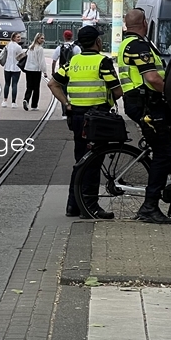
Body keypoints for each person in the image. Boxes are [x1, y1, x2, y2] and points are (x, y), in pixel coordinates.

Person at [47, 25, 123, 219]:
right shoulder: (103, 62)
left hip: (77, 117)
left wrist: (67, 104)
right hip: (97, 119)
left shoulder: (73, 62)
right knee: (94, 161)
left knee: (80, 160)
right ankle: (90, 206)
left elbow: (53, 83)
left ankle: (73, 204)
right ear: (98, 42)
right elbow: (117, 91)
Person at [117, 8, 171, 224]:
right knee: (164, 152)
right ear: (144, 23)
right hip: (147, 105)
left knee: (170, 139)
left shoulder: (127, 43)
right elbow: (152, 78)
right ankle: (150, 206)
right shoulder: (138, 46)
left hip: (141, 104)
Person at [22, 33, 47, 111]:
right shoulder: (40, 49)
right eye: (42, 38)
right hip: (36, 70)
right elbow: (41, 61)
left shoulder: (30, 47)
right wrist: (45, 71)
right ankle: (34, 105)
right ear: (37, 39)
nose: (43, 40)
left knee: (29, 86)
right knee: (36, 88)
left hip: (28, 69)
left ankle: (26, 99)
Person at [1, 32, 25, 108]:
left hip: (7, 67)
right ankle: (13, 102)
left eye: (19, 37)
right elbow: (22, 57)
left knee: (7, 84)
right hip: (16, 68)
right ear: (14, 38)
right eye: (18, 37)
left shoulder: (8, 45)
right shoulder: (18, 47)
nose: (19, 38)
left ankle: (5, 101)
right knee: (14, 84)